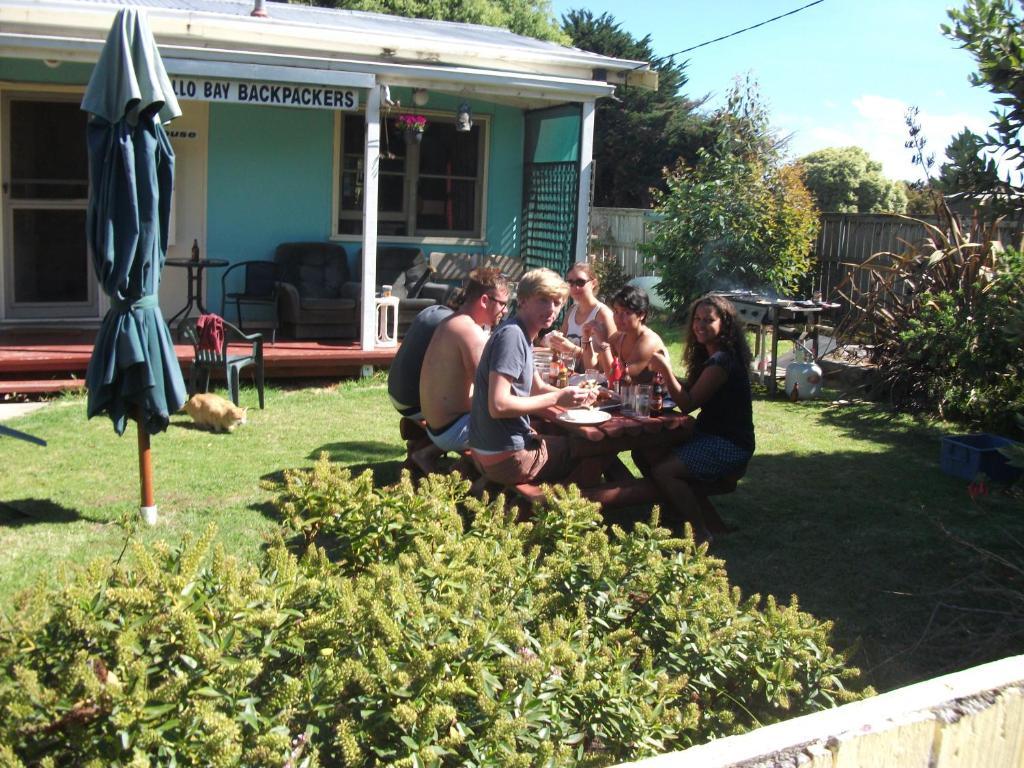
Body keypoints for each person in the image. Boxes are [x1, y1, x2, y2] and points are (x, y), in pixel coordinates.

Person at [468, 268, 598, 485]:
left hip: (488, 450)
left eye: (557, 303)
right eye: (543, 300)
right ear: (523, 300)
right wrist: (558, 399)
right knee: (590, 450)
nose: (551, 309)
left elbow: (536, 388)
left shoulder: (522, 333)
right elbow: (498, 405)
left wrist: (576, 395)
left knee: (564, 439)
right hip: (506, 457)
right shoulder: (513, 337)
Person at [646, 294, 755, 543]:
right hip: (709, 435)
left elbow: (687, 404)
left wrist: (665, 370)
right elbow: (692, 391)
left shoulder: (721, 362)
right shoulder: (711, 356)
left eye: (708, 320)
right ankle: (675, 509)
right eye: (697, 319)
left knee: (664, 472)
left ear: (724, 325)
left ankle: (700, 531)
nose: (700, 325)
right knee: (646, 452)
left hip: (729, 444)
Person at [419, 268, 510, 457]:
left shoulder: (452, 321)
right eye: (503, 304)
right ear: (485, 300)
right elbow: (489, 390)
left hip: (436, 426)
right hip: (453, 429)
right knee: (524, 424)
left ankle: (427, 454)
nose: (506, 310)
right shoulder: (470, 332)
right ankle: (485, 477)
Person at [584, 284, 667, 382]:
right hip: (630, 395)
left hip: (655, 396)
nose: (619, 318)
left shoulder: (649, 341)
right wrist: (586, 338)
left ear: (641, 314)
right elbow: (594, 369)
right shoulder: (619, 337)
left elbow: (616, 379)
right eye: (616, 311)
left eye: (626, 312)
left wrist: (603, 343)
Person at [545, 261, 616, 370]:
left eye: (580, 282)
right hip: (570, 377)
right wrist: (552, 341)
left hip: (594, 382)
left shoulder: (603, 314)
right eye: (571, 283)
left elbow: (611, 360)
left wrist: (573, 350)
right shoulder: (571, 311)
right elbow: (561, 346)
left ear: (593, 283)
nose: (575, 287)